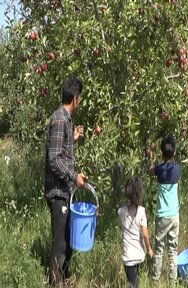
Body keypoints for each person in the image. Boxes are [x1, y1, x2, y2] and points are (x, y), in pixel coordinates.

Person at [44, 76, 87, 286]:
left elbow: (61, 151)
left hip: (65, 190)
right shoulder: (60, 120)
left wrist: (73, 138)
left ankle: (63, 279)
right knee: (60, 244)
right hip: (58, 191)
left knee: (67, 241)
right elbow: (54, 159)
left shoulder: (65, 121)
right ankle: (55, 283)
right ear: (76, 98)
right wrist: (73, 176)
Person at [146, 135, 180, 283]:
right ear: (174, 152)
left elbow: (150, 171)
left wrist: (150, 158)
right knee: (173, 250)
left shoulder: (159, 169)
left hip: (162, 216)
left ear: (161, 152)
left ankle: (155, 280)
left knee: (159, 249)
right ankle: (173, 281)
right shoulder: (177, 169)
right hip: (174, 216)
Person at [118, 176, 154, 288]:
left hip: (128, 256)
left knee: (132, 283)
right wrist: (149, 249)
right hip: (139, 254)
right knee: (135, 282)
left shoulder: (121, 212)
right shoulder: (141, 211)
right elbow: (145, 234)